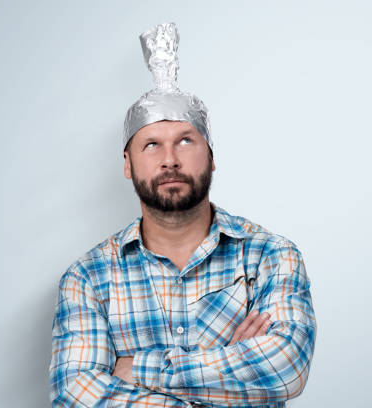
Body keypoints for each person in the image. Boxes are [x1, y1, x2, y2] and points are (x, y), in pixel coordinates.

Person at [49, 23, 316, 407]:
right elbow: (75, 397)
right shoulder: (88, 279)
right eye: (152, 145)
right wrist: (233, 383)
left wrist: (138, 371)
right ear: (128, 164)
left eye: (186, 141)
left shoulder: (271, 256)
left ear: (211, 156)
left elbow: (285, 368)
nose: (170, 160)